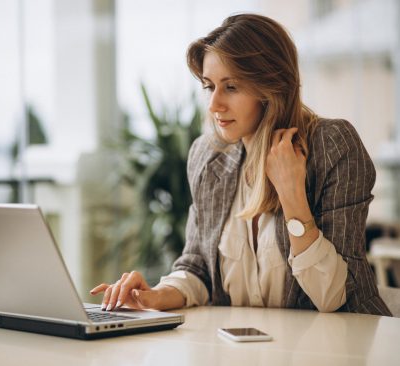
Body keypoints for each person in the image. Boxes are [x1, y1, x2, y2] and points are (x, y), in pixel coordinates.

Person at [91, 13, 392, 315]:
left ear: (270, 88)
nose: (214, 104)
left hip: (344, 347)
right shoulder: (208, 157)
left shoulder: (332, 145)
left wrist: (292, 195)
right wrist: (156, 295)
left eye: (231, 87)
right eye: (209, 86)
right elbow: (198, 267)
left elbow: (334, 296)